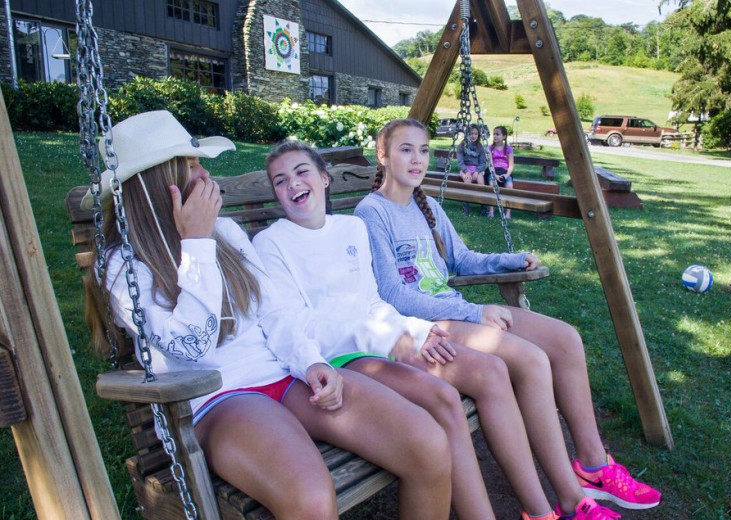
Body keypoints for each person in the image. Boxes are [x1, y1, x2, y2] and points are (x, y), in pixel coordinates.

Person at [82, 111, 452, 520]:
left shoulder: (226, 232)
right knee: (311, 499)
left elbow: (273, 312)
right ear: (159, 180)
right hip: (217, 398)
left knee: (427, 444)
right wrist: (196, 244)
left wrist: (309, 362)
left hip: (284, 377)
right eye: (191, 164)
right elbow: (194, 346)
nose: (205, 173)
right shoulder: (122, 267)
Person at [255, 140, 616, 520]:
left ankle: (541, 511)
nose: (293, 184)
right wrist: (392, 338)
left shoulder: (350, 230)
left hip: (385, 336)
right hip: (341, 356)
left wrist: (413, 331)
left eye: (301, 172)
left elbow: (374, 302)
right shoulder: (270, 244)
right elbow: (299, 323)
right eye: (280, 180)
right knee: (443, 398)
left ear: (324, 179)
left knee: (490, 370)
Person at [354, 118, 663, 515]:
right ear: (383, 155)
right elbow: (394, 295)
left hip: (454, 311)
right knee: (531, 360)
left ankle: (593, 465)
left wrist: (510, 260)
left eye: (424, 150)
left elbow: (461, 260)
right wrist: (474, 311)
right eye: (405, 150)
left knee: (566, 339)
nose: (417, 159)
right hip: (426, 325)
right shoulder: (371, 212)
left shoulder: (424, 203)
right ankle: (569, 500)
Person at [484, 125, 514, 219]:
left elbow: (511, 165)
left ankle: (508, 212)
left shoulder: (508, 149)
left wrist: (506, 175)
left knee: (509, 187)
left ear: (504, 136)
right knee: (492, 185)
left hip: (505, 171)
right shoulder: (490, 148)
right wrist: (495, 176)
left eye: (498, 134)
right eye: (494, 134)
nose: (495, 136)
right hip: (493, 171)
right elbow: (490, 164)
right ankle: (491, 210)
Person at [456, 123, 487, 215]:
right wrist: (466, 171)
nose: (473, 136)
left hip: (477, 169)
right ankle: (466, 207)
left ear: (478, 135)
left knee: (481, 183)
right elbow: (460, 162)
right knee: (467, 181)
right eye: (471, 133)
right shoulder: (462, 146)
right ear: (467, 134)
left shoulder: (480, 147)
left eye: (475, 134)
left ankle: (483, 207)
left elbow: (483, 162)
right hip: (465, 168)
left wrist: (477, 172)